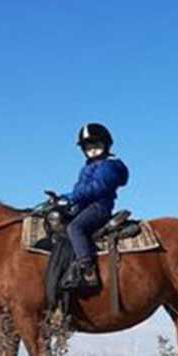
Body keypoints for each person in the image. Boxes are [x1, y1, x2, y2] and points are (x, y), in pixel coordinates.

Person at [62, 123, 129, 289]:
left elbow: (97, 188)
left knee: (74, 228)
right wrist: (61, 199)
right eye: (87, 145)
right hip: (84, 206)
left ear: (106, 144)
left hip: (99, 207)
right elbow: (79, 189)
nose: (92, 149)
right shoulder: (88, 167)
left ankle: (87, 269)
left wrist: (70, 198)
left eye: (96, 144)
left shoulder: (109, 165)